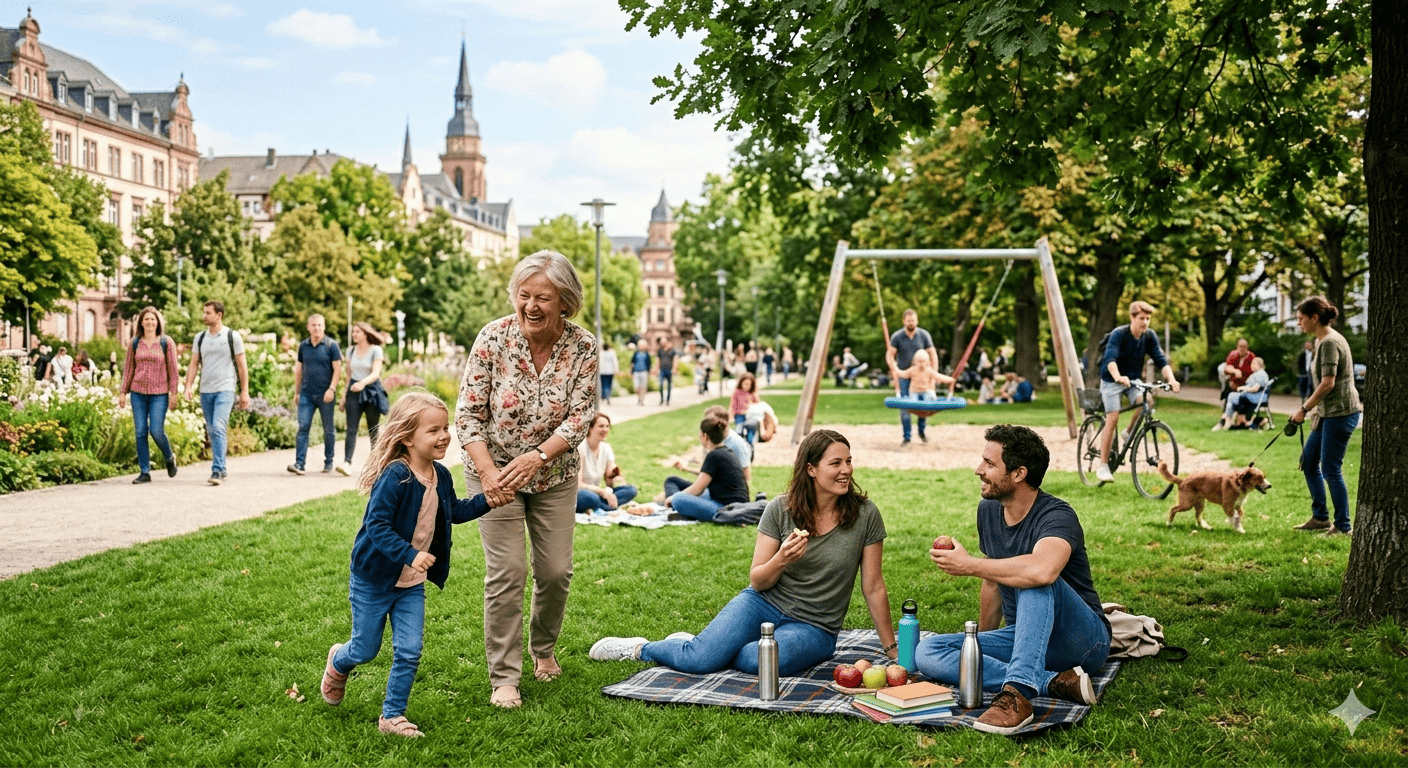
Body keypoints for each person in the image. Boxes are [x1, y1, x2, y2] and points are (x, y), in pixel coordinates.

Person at [590, 429, 898, 676]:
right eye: (836, 463)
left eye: (848, 461)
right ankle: (643, 649)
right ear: (811, 470)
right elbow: (758, 580)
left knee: (758, 661)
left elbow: (873, 586)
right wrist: (782, 559)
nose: (846, 470)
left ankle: (706, 647)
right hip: (763, 602)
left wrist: (891, 650)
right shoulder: (780, 509)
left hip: (815, 626)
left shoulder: (865, 514)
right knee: (699, 661)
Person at [319, 392, 509, 738]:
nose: (444, 436)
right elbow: (376, 526)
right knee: (365, 649)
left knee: (409, 650)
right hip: (374, 579)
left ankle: (391, 717)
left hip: (410, 583)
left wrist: (488, 500)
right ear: (407, 437)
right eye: (433, 430)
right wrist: (411, 554)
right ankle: (339, 661)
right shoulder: (396, 476)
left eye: (446, 428)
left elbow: (453, 512)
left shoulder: (441, 475)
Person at [454, 250, 597, 709]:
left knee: (555, 571)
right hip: (492, 472)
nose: (531, 306)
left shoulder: (583, 346)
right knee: (508, 571)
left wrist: (538, 456)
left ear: (565, 304)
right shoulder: (493, 339)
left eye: (543, 298)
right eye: (524, 295)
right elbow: (468, 415)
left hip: (552, 474)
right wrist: (491, 474)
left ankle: (544, 649)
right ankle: (505, 677)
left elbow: (580, 418)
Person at [917, 425, 1109, 735]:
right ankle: (1053, 681)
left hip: (1082, 641)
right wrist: (979, 644)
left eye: (989, 464)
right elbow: (992, 582)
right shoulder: (989, 511)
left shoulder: (1057, 516)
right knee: (928, 652)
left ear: (1019, 473)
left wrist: (970, 565)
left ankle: (1018, 695)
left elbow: (1042, 571)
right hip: (1025, 639)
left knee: (1036, 579)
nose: (979, 470)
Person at [1289, 296, 1363, 537]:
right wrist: (1315, 411)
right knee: (1309, 462)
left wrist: (1304, 409)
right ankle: (1320, 517)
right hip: (1327, 413)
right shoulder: (1321, 340)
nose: (1299, 323)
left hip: (1341, 412)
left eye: (1301, 319)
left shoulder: (1330, 342)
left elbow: (1328, 383)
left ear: (1314, 317)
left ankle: (1343, 526)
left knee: (1330, 468)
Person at [1095, 301, 1181, 483]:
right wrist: (1118, 376)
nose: (1145, 322)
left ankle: (1128, 432)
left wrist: (1171, 379)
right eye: (1142, 318)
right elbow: (1110, 358)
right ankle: (1103, 466)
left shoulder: (1149, 336)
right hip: (1112, 379)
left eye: (1148, 319)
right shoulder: (1119, 334)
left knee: (1147, 402)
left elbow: (1161, 360)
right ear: (1132, 318)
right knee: (1113, 417)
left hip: (1133, 380)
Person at [183, 300, 250, 486]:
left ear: (218, 315)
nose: (204, 316)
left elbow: (242, 366)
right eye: (203, 312)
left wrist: (244, 391)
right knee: (212, 430)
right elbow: (194, 363)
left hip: (226, 388)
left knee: (219, 426)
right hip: (206, 390)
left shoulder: (232, 336)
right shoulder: (200, 338)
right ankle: (221, 467)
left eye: (207, 313)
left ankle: (218, 470)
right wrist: (188, 386)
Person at [118, 306, 180, 484]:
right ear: (141, 322)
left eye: (153, 319)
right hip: (138, 393)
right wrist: (123, 392)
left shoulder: (166, 342)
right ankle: (145, 471)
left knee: (156, 431)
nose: (150, 322)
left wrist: (173, 393)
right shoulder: (135, 343)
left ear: (158, 322)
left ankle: (169, 457)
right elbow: (128, 369)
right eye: (146, 319)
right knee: (140, 432)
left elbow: (173, 370)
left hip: (159, 394)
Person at [661, 419, 752, 521]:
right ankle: (686, 512)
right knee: (698, 492)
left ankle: (679, 509)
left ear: (705, 436)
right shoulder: (727, 451)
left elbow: (697, 489)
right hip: (737, 504)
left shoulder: (714, 455)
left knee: (678, 499)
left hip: (726, 509)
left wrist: (673, 497)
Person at [289, 313, 344, 476]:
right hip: (306, 394)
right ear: (308, 327)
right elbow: (298, 370)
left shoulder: (331, 345)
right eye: (313, 325)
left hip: (325, 394)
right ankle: (299, 464)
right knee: (303, 427)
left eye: (320, 325)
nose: (317, 328)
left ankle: (329, 461)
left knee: (328, 429)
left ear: (324, 327)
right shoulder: (303, 346)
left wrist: (332, 389)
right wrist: (297, 392)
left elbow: (338, 369)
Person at [887, 309, 942, 445]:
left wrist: (933, 372)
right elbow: (890, 355)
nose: (911, 322)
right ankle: (907, 437)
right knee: (905, 406)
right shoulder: (897, 336)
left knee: (923, 405)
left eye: (913, 320)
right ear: (904, 321)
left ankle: (922, 432)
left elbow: (932, 354)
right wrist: (893, 367)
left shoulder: (924, 335)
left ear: (916, 321)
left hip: (922, 377)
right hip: (905, 376)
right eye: (908, 320)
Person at [668, 406, 753, 493]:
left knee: (676, 494)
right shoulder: (713, 441)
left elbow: (746, 477)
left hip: (723, 494)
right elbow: (708, 471)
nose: (706, 424)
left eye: (710, 421)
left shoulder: (737, 444)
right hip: (711, 488)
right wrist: (686, 467)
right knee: (672, 483)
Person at [339, 321, 386, 475]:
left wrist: (362, 383)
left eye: (357, 332)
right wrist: (344, 396)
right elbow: (348, 376)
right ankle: (347, 463)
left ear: (365, 333)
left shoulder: (376, 350)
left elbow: (376, 373)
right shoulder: (350, 351)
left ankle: (376, 464)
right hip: (353, 390)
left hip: (371, 390)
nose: (354, 334)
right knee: (351, 429)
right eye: (353, 332)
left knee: (373, 429)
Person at [575, 413, 639, 513]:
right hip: (581, 493)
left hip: (599, 493)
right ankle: (611, 507)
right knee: (589, 497)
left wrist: (616, 477)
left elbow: (610, 481)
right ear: (590, 428)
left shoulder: (606, 448)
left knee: (632, 490)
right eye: (601, 426)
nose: (605, 430)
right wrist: (603, 492)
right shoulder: (580, 448)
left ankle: (598, 507)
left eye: (607, 426)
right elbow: (578, 484)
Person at [1214, 356, 1270, 430]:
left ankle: (1227, 421)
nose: (1251, 365)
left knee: (1231, 397)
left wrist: (1243, 388)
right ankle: (1228, 420)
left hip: (1255, 397)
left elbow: (1255, 388)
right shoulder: (1256, 374)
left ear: (1259, 365)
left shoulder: (1261, 374)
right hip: (1250, 396)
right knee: (1231, 397)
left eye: (1253, 363)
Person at [1220, 338, 1255, 403]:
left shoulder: (1251, 357)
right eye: (1240, 346)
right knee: (1227, 382)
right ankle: (1226, 406)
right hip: (1232, 383)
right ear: (1237, 347)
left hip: (1245, 384)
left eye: (1244, 347)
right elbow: (1227, 367)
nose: (1242, 349)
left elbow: (1255, 371)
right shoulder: (1233, 354)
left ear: (1247, 347)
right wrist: (1235, 371)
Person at [631, 339, 652, 406]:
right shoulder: (636, 353)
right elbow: (632, 363)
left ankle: (641, 400)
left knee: (643, 386)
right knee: (637, 387)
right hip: (636, 372)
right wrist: (631, 371)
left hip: (644, 372)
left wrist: (649, 372)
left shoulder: (647, 354)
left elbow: (649, 364)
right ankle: (639, 397)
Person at [657, 339, 676, 406]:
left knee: (669, 386)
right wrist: (656, 369)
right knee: (661, 385)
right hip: (662, 370)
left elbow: (674, 360)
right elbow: (658, 360)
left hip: (669, 369)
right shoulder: (660, 351)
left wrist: (674, 368)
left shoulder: (672, 351)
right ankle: (662, 399)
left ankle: (667, 400)